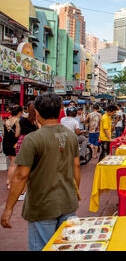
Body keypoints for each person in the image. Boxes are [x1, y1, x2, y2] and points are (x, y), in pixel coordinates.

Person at [0, 93, 80, 251]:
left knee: (43, 247)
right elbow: (76, 166)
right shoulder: (71, 136)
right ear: (60, 111)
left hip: (42, 206)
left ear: (36, 112)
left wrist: (8, 209)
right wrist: (74, 193)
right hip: (68, 202)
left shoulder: (33, 139)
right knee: (68, 246)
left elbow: (21, 176)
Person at [15, 102, 38, 201]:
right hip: (34, 142)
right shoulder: (37, 120)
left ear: (27, 108)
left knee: (23, 169)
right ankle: (33, 190)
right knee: (34, 168)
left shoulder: (22, 120)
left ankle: (23, 192)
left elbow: (17, 134)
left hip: (22, 142)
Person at [3, 105, 23, 190]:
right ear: (19, 113)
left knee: (12, 163)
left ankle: (8, 180)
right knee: (13, 165)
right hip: (13, 145)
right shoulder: (17, 121)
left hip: (6, 144)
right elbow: (17, 135)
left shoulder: (7, 121)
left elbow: (4, 134)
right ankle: (10, 183)